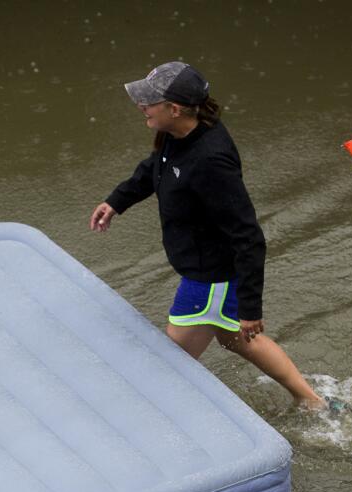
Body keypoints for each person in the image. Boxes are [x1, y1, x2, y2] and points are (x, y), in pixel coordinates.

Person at [90, 61, 325, 410]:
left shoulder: (212, 160)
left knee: (169, 363)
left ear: (176, 108)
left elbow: (249, 236)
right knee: (238, 341)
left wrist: (250, 308)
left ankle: (159, 419)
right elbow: (155, 167)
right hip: (205, 272)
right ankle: (313, 402)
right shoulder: (177, 135)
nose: (141, 107)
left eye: (149, 102)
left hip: (210, 279)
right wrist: (117, 201)